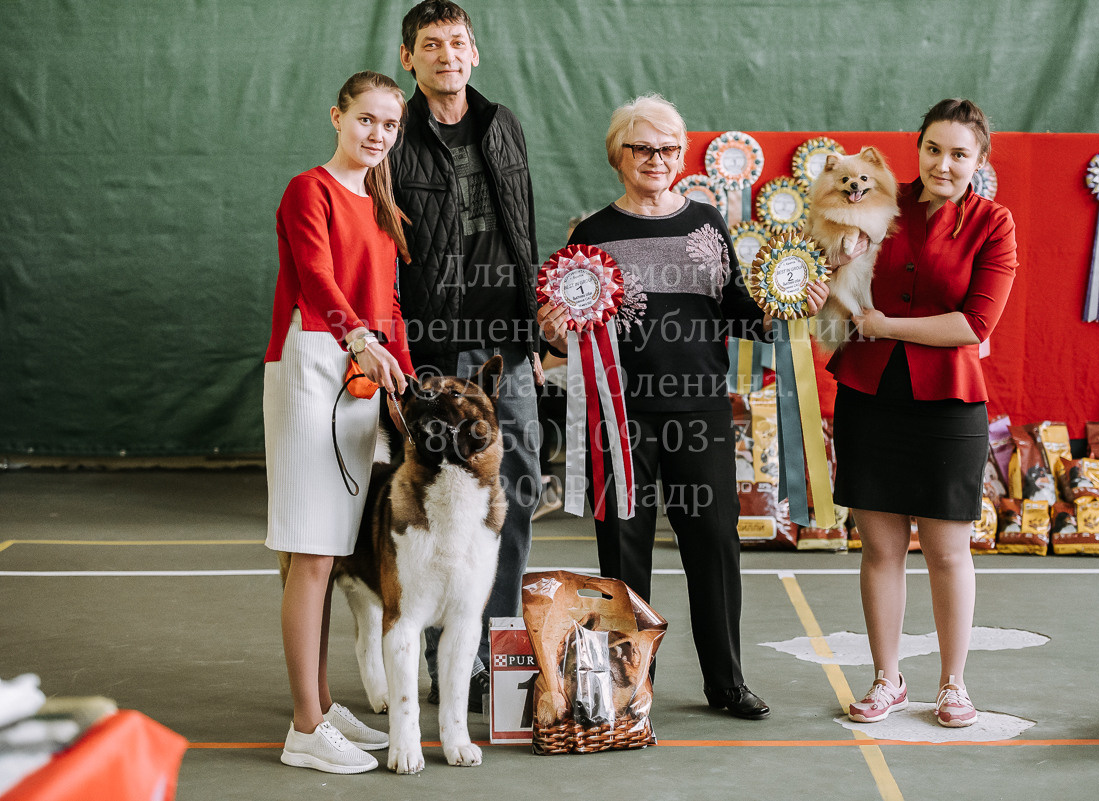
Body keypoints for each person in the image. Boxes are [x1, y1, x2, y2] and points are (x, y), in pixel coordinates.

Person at [537, 94, 829, 720]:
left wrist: (789, 301)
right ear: (619, 153)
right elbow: (567, 332)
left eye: (669, 149)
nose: (656, 159)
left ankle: (725, 683)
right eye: (642, 147)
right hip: (623, 419)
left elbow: (734, 312)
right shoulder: (593, 234)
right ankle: (626, 688)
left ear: (681, 154)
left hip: (700, 414)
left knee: (714, 548)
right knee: (623, 551)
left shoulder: (705, 221)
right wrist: (556, 333)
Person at [828, 98, 1018, 728]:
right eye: (933, 149)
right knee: (880, 551)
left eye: (959, 153)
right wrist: (820, 267)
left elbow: (975, 323)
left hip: (949, 405)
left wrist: (885, 325)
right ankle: (888, 680)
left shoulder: (995, 223)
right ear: (917, 149)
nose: (943, 163)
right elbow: (833, 269)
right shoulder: (878, 198)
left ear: (980, 161)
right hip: (868, 395)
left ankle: (953, 684)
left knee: (947, 553)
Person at [389, 0, 541, 711]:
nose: (447, 54)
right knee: (433, 502)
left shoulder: (503, 124)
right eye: (430, 44)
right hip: (431, 352)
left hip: (506, 349)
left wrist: (534, 339)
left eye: (458, 42)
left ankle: (494, 652)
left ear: (474, 54)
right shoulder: (395, 137)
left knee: (514, 490)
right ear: (407, 58)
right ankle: (434, 647)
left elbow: (523, 229)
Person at [263, 70, 414, 773]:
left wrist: (402, 379)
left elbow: (389, 308)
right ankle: (303, 727)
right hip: (311, 368)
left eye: (389, 124)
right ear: (338, 116)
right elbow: (319, 281)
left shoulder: (380, 205)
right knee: (311, 552)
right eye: (366, 119)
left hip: (360, 379)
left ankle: (321, 706)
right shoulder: (308, 190)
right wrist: (362, 340)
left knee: (326, 550)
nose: (377, 133)